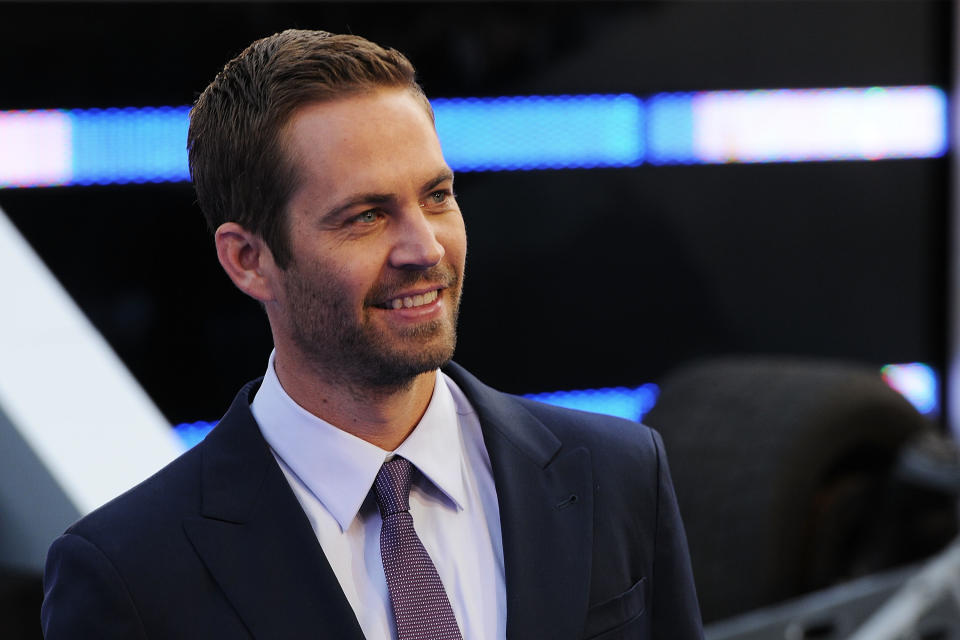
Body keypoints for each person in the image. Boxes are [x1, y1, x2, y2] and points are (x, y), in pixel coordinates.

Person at [41, 29, 703, 639]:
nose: (426, 249)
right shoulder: (127, 574)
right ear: (248, 259)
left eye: (437, 196)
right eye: (365, 216)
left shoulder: (621, 475)